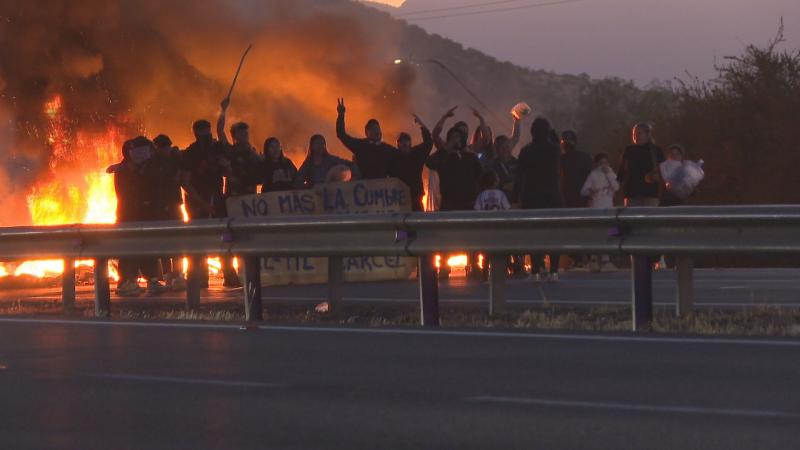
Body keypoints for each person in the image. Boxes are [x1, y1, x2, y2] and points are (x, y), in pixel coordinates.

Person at [113, 136, 166, 296]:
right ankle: (126, 282)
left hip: (147, 217)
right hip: (129, 217)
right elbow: (125, 195)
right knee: (129, 249)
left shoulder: (152, 168)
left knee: (149, 248)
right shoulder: (124, 171)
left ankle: (152, 280)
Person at [181, 117, 229, 288]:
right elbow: (185, 182)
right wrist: (201, 202)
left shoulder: (217, 149)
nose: (206, 136)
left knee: (224, 237)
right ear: (196, 134)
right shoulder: (190, 153)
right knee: (199, 240)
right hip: (197, 200)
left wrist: (225, 165)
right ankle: (199, 277)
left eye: (208, 133)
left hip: (217, 196)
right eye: (202, 134)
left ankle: (230, 274)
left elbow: (228, 169)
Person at [515, 117, 563, 282]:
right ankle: (554, 271)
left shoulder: (527, 150)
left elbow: (519, 175)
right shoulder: (554, 150)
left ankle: (535, 271)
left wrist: (517, 196)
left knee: (533, 234)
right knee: (554, 234)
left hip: (532, 196)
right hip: (552, 196)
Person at [152, 134, 187, 291]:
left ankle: (179, 274)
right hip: (160, 207)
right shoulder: (153, 162)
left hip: (173, 205)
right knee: (165, 242)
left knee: (178, 241)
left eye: (166, 147)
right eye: (162, 148)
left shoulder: (176, 158)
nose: (164, 150)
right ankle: (168, 275)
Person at [336, 98, 394, 179]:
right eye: (373, 129)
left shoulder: (387, 149)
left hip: (382, 189)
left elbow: (403, 157)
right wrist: (341, 115)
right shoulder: (360, 145)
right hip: (364, 189)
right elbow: (341, 135)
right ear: (366, 133)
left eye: (378, 129)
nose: (376, 131)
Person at [580, 152, 620, 271]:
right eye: (601, 162)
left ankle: (605, 260)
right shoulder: (593, 175)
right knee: (596, 233)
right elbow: (583, 191)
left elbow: (616, 187)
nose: (603, 165)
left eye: (606, 162)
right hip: (596, 207)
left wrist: (608, 174)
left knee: (608, 232)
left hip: (608, 207)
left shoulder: (611, 173)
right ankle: (593, 260)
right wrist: (590, 191)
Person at [388, 114, 434, 212]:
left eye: (406, 141)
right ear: (398, 144)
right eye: (402, 142)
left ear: (410, 143)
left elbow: (429, 143)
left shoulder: (416, 154)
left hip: (416, 199)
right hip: (399, 201)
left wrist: (422, 127)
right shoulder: (393, 157)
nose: (404, 144)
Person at [617, 122, 665, 207]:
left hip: (650, 194)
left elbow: (664, 172)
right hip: (631, 193)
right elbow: (621, 172)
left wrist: (658, 177)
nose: (636, 136)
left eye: (639, 133)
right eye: (634, 134)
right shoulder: (629, 150)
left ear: (648, 134)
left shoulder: (656, 151)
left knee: (649, 219)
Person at [560, 130, 593, 208]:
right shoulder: (585, 157)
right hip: (583, 199)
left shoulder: (561, 160)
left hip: (566, 199)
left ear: (563, 143)